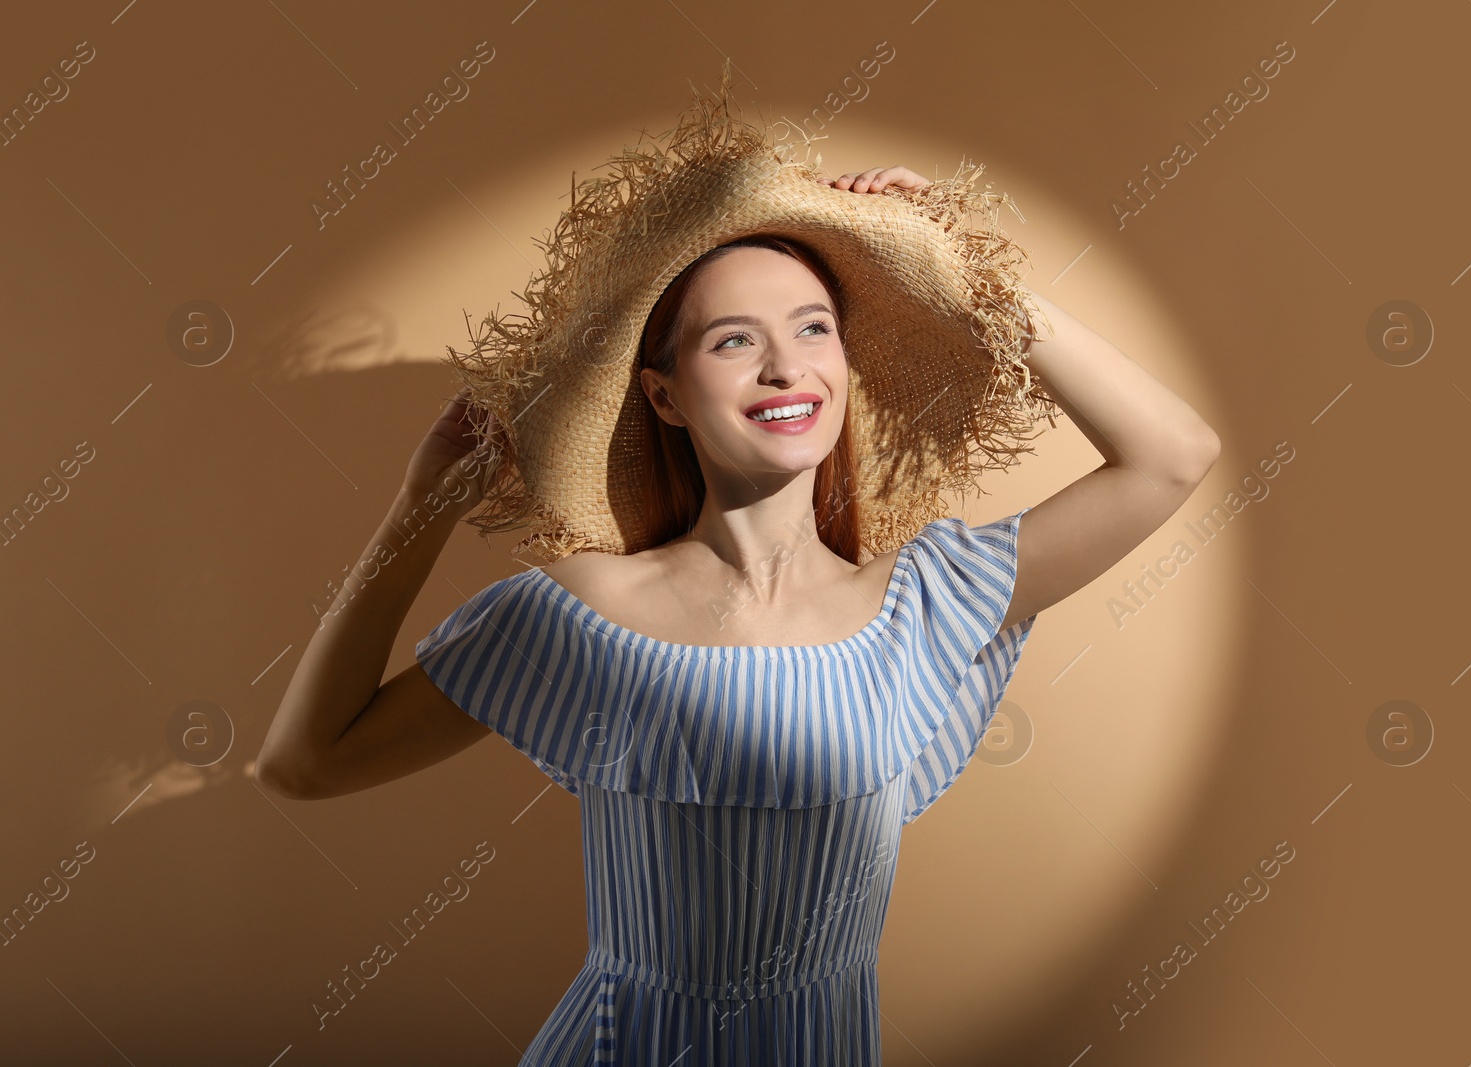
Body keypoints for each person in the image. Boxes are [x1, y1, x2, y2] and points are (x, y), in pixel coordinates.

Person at [256, 75, 1218, 1067]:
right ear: (665, 397)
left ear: (843, 367)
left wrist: (963, 271)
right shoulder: (584, 613)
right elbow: (304, 762)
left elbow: (1172, 453)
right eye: (732, 341)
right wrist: (423, 506)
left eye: (812, 328)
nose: (784, 367)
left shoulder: (927, 603)